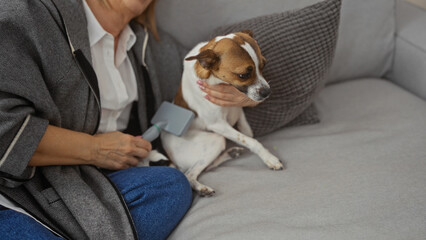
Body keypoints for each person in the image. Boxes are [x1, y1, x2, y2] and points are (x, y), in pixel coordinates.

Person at [0, 0, 258, 239]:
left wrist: (248, 92)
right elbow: (5, 130)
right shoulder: (28, 16)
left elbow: (229, 59)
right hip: (15, 191)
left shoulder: (151, 48)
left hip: (86, 187)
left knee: (172, 187)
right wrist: (95, 150)